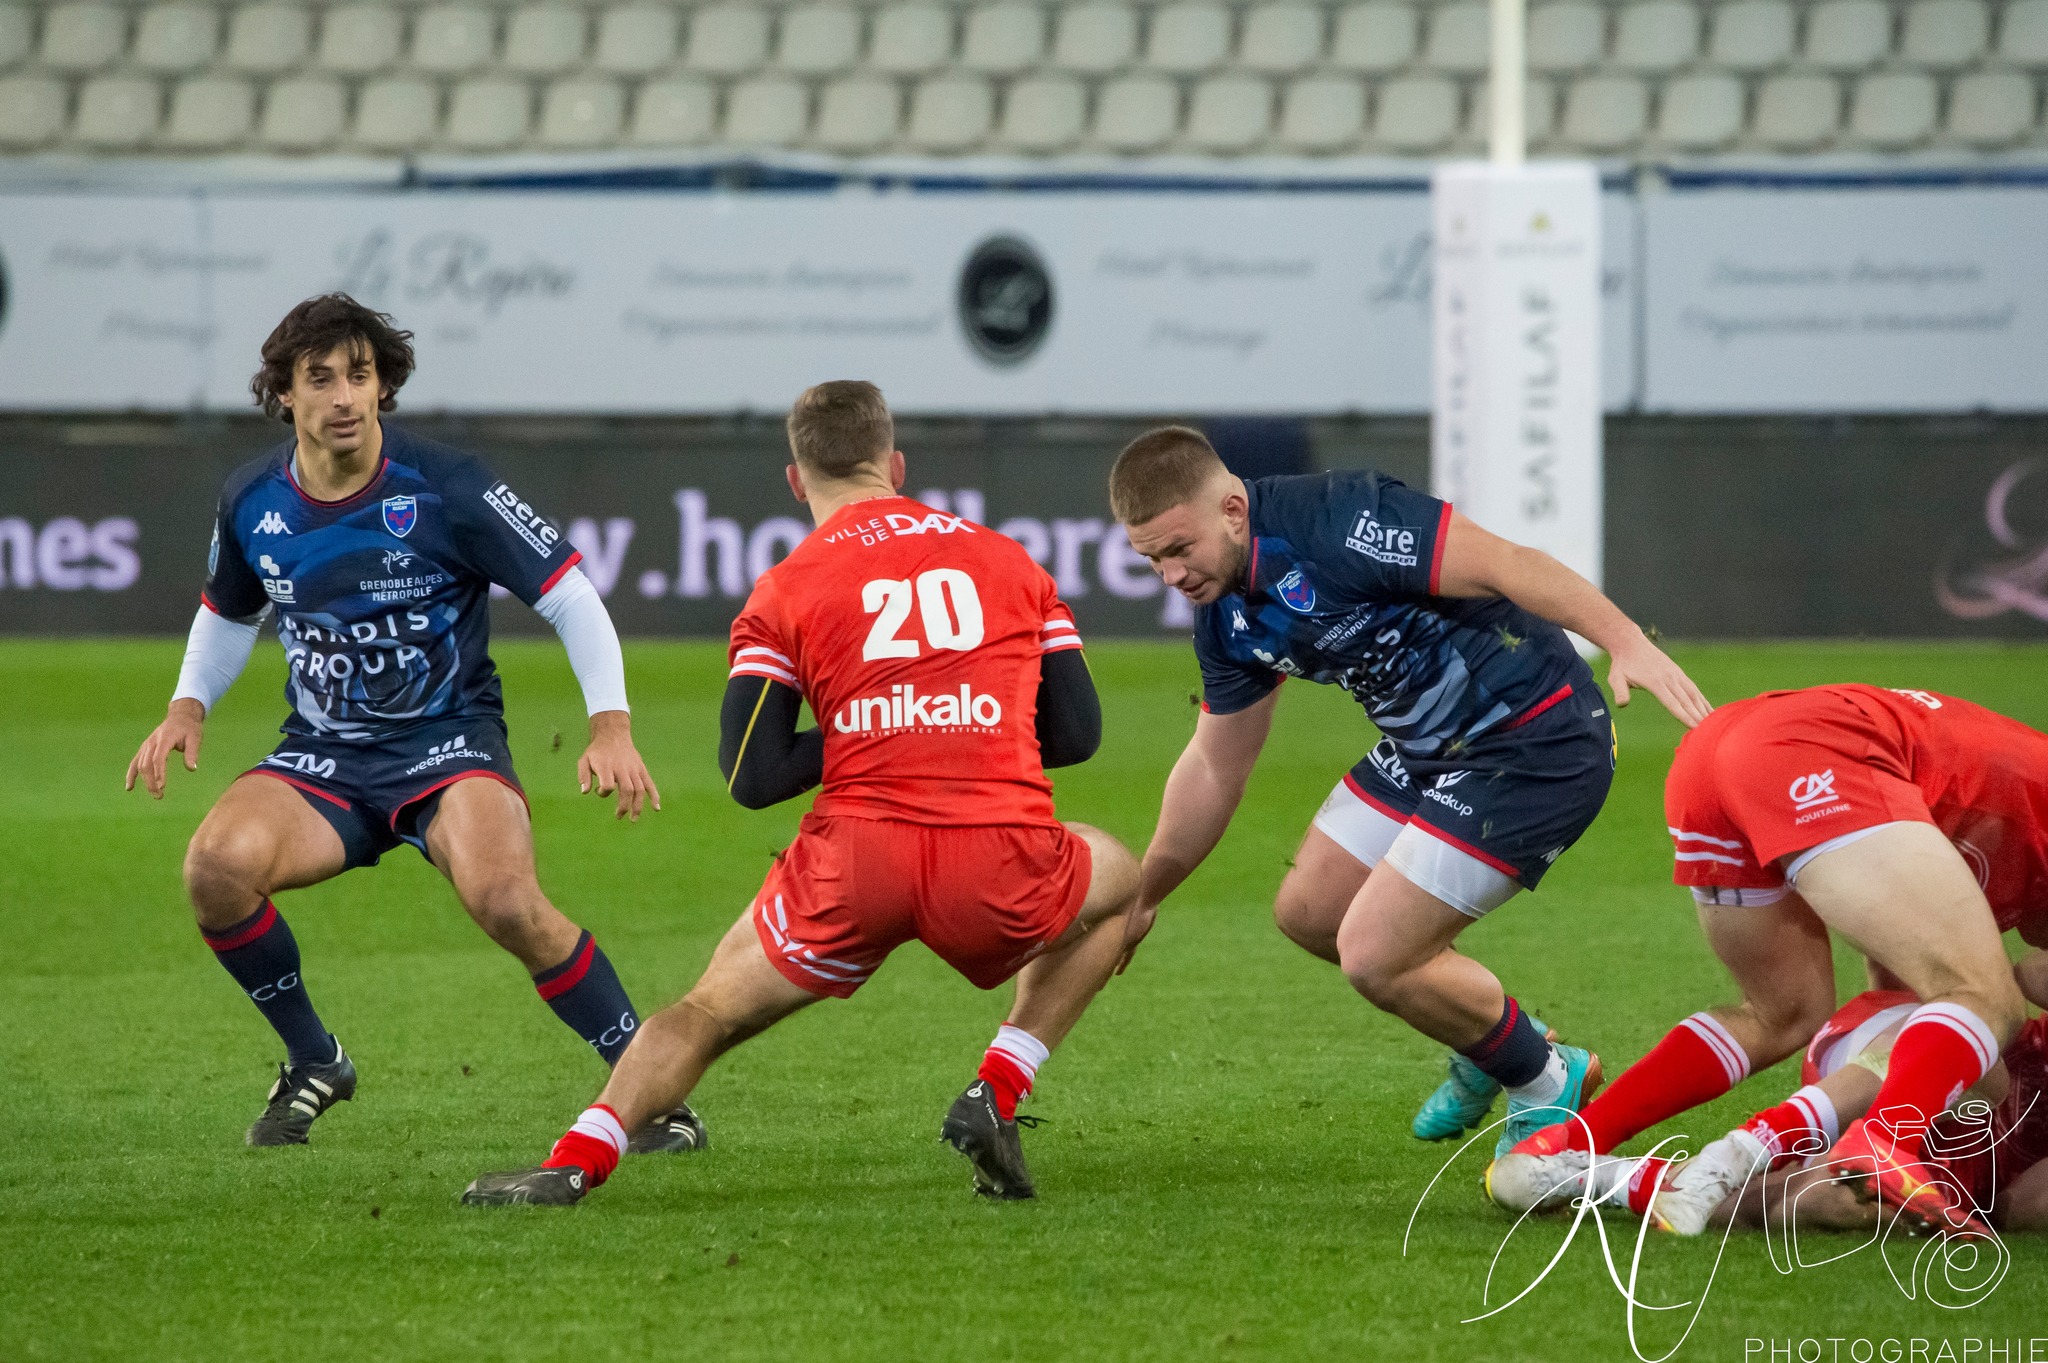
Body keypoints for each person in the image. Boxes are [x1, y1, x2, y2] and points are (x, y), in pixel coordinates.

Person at [462, 380, 1139, 1207]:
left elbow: (753, 774)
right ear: (895, 463)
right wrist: (958, 723)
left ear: (795, 478)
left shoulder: (787, 586)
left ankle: (578, 1157)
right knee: (1126, 880)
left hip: (854, 865)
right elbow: (1077, 734)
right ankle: (995, 1088)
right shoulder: (1010, 560)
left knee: (709, 1009)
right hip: (995, 852)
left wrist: (867, 731)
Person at [124, 293, 699, 1153]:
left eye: (360, 375)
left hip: (448, 743)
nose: (345, 397)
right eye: (320, 379)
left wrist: (609, 724)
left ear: (383, 384)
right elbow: (228, 609)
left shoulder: (448, 485)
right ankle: (315, 1060)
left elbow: (571, 593)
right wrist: (185, 707)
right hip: (324, 757)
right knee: (213, 868)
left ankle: (647, 1088)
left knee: (506, 899)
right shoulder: (251, 498)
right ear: (284, 392)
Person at [1108, 427, 1712, 1155]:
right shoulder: (1225, 617)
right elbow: (1214, 766)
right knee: (1311, 911)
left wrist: (1625, 640)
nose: (1170, 575)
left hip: (1535, 740)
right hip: (1429, 750)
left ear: (1233, 509)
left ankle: (1547, 1080)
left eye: (1179, 549)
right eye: (1150, 560)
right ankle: (1479, 1029)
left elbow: (1509, 564)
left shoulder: (1344, 521)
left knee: (1372, 952)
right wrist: (1146, 893)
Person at [1498, 684, 2047, 1232]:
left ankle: (1568, 1143)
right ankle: (1882, 1141)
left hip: (1718, 756)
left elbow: (1898, 979)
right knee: (1986, 998)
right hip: (1819, 753)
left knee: (1779, 1013)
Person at [1490, 959, 2048, 1237]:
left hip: (1956, 1163)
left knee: (1829, 1204)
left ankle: (1601, 1177)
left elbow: (2019, 1207)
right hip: (1910, 1046)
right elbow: (2020, 975)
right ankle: (1744, 1147)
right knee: (1979, 1062)